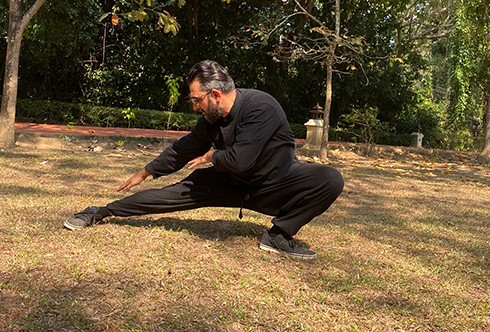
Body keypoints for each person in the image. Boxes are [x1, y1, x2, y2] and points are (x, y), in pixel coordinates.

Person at [64, 60, 344, 260]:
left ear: (215, 94)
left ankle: (278, 236)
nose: (195, 107)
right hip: (228, 182)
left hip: (274, 183)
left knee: (329, 179)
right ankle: (101, 211)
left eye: (197, 100)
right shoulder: (212, 118)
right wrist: (146, 171)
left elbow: (241, 159)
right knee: (167, 196)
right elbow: (183, 149)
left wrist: (212, 155)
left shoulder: (262, 107)